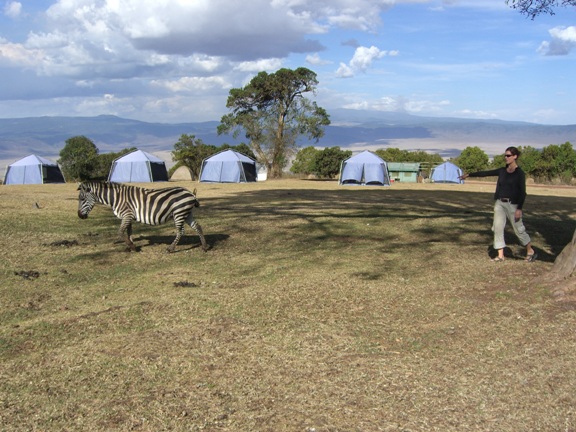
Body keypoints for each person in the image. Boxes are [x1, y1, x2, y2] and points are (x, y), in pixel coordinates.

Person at [459, 146, 537, 262]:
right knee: (497, 227)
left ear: (515, 156)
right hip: (500, 203)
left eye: (508, 155)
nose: (506, 157)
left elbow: (523, 192)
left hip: (513, 205)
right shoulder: (502, 171)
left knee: (518, 229)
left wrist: (519, 209)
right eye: (505, 155)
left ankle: (530, 250)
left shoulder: (519, 173)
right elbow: (486, 173)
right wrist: (469, 175)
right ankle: (500, 255)